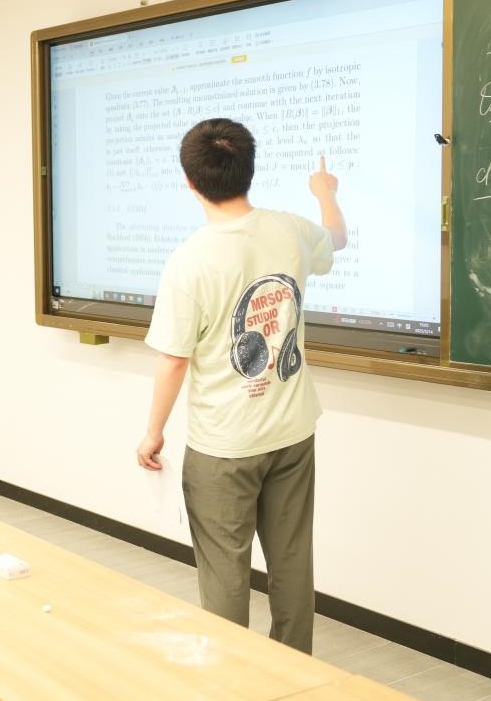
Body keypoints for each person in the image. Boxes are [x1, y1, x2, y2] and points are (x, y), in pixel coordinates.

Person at [135, 118, 346, 655]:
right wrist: (325, 192)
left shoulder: (190, 260)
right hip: (292, 433)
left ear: (190, 182)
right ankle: (294, 675)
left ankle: (233, 680)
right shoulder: (290, 229)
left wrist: (153, 433)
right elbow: (337, 239)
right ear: (250, 169)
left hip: (225, 445)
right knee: (292, 563)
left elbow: (174, 360)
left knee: (225, 574)